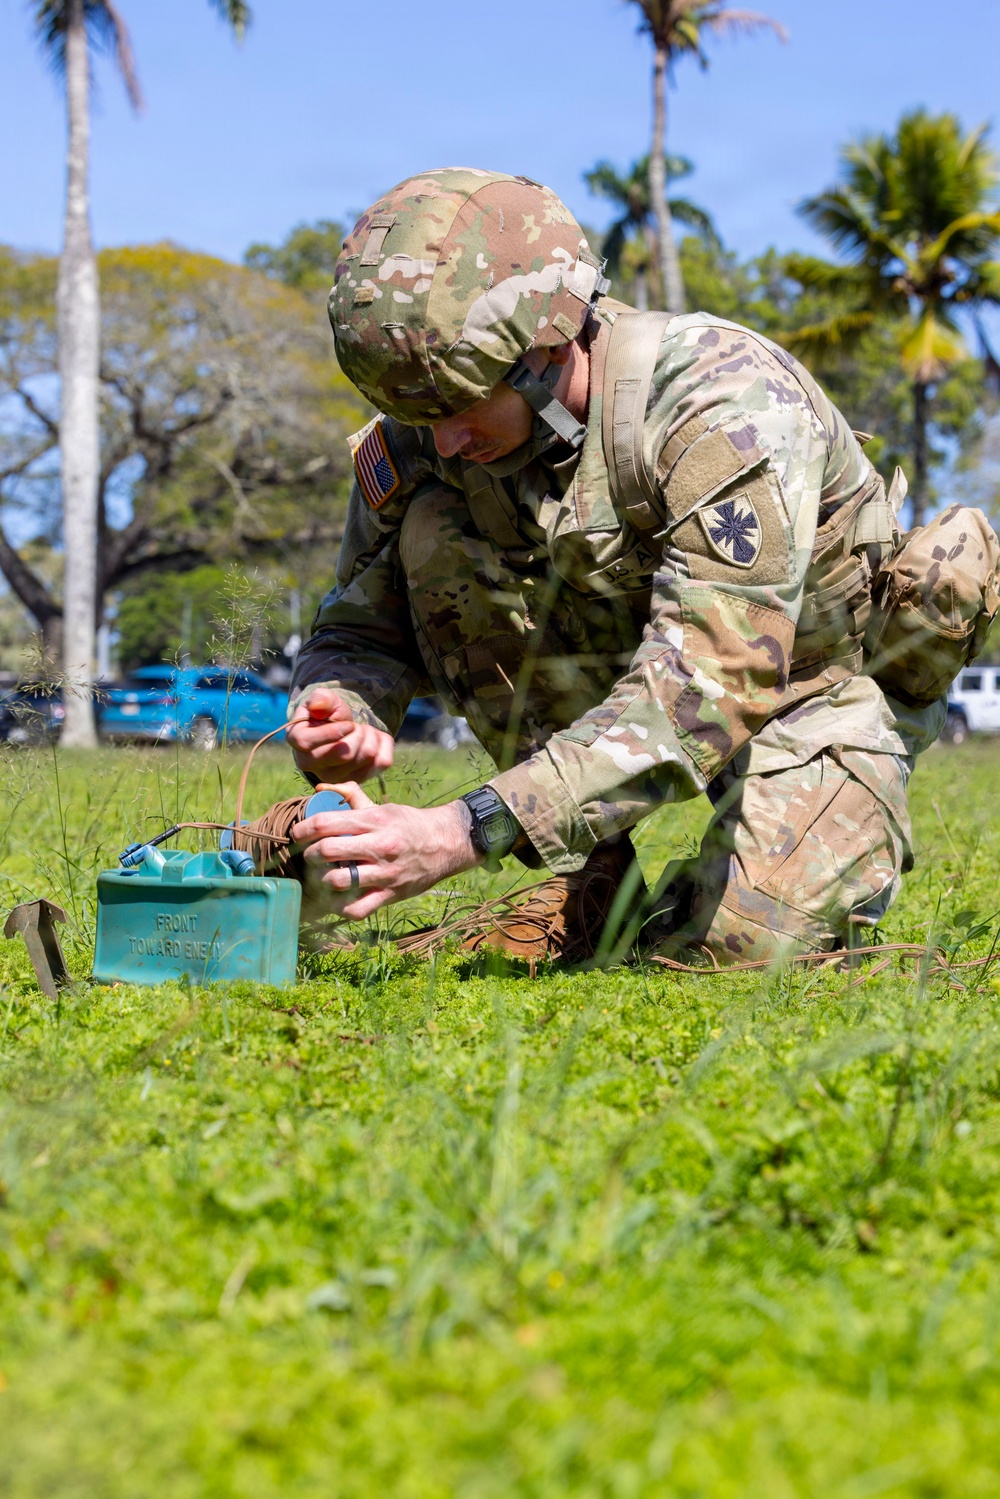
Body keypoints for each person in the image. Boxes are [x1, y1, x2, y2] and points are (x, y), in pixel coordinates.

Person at [285, 167, 944, 965]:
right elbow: (357, 630)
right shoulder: (426, 422)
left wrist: (467, 828)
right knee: (434, 525)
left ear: (547, 347)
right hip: (632, 668)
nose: (445, 438)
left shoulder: (721, 405)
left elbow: (707, 684)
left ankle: (794, 822)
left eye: (461, 405)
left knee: (742, 943)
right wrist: (341, 707)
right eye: (418, 413)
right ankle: (594, 877)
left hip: (806, 689)